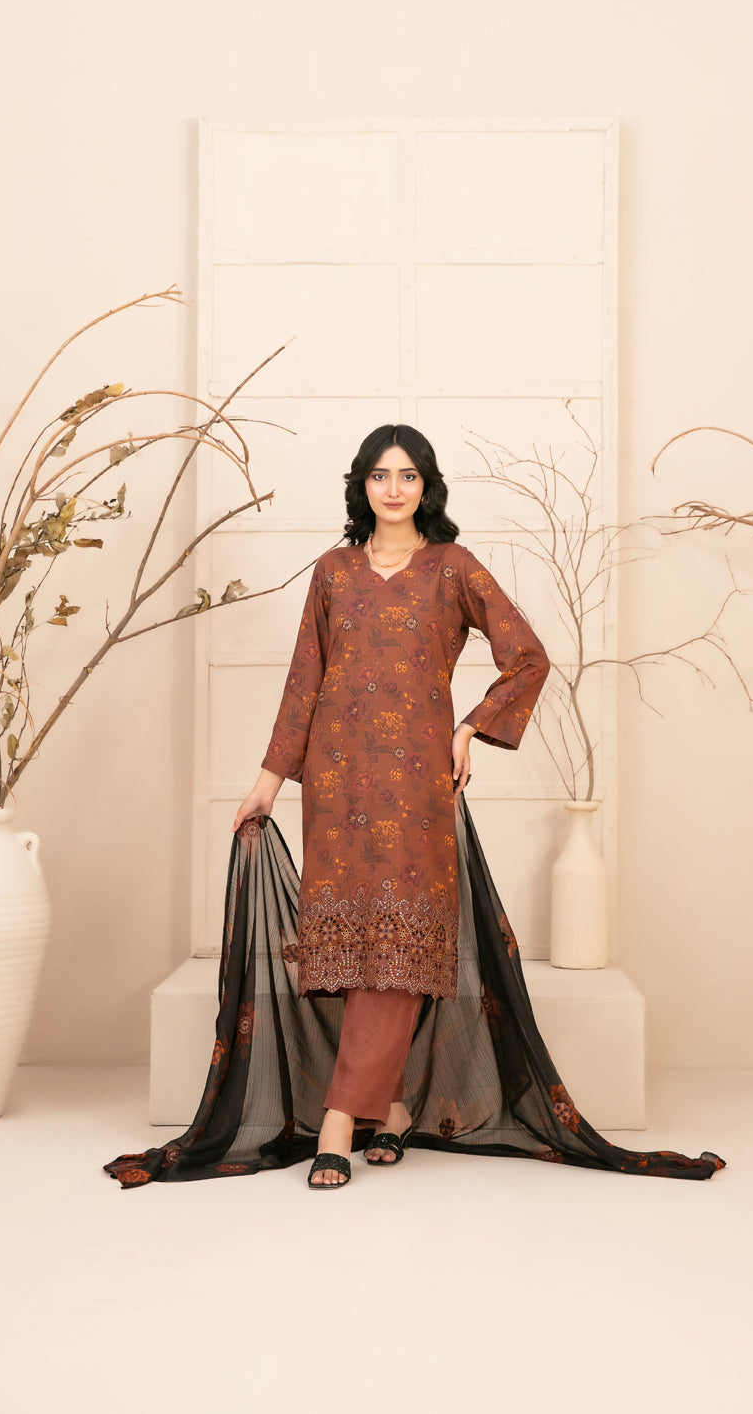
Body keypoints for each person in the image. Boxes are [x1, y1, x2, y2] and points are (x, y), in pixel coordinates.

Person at [232, 422, 550, 1188]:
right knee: (355, 954)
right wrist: (268, 780)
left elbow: (527, 656)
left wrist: (469, 726)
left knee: (398, 950)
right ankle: (396, 1106)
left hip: (414, 790)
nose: (394, 488)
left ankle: (339, 1120)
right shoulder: (333, 571)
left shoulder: (452, 567)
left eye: (408, 475)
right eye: (380, 474)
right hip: (335, 787)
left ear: (426, 485)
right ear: (362, 485)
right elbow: (304, 679)